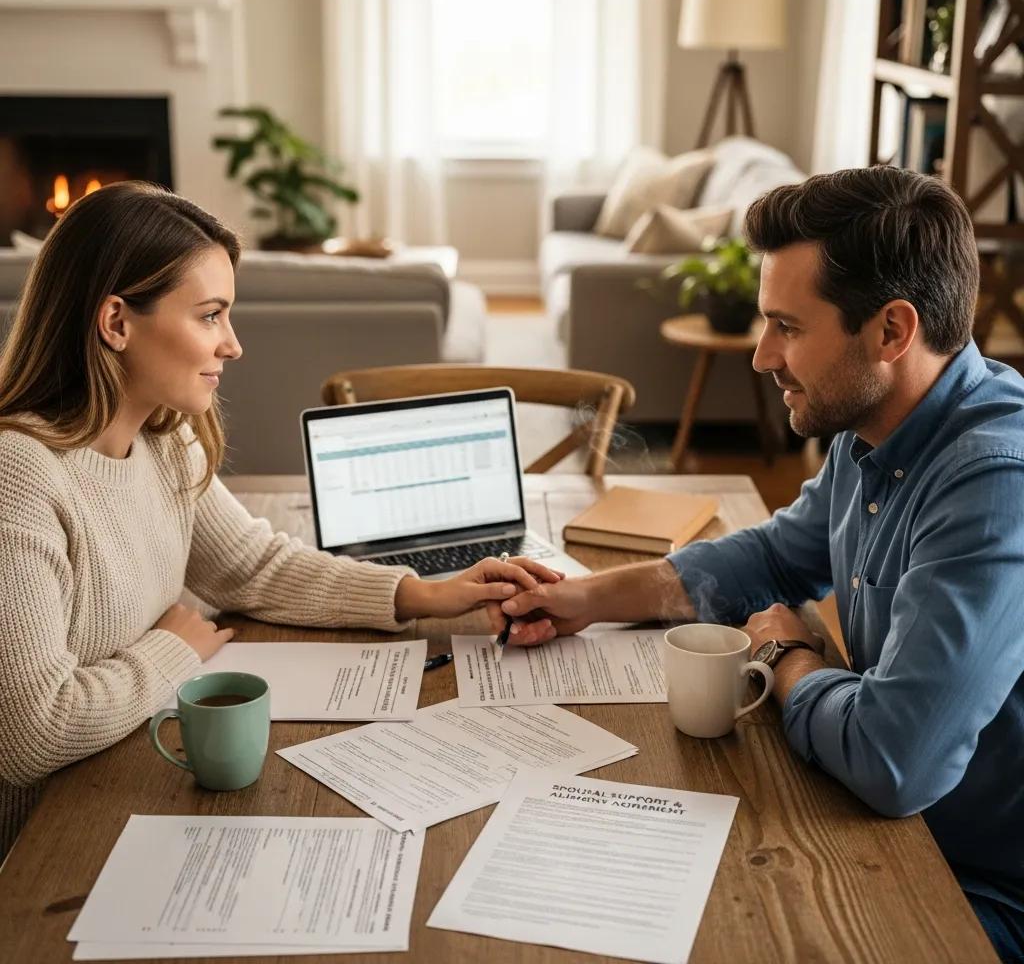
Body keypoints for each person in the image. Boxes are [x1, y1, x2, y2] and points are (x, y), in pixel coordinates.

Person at [491, 166, 1024, 962]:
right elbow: (772, 557)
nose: (761, 354)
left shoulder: (994, 483)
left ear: (891, 331)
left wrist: (788, 657)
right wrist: (587, 599)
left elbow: (894, 759)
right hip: (882, 831)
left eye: (787, 326)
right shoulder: (870, 430)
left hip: (976, 886)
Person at [0, 181, 560, 858]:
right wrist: (175, 647)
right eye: (209, 315)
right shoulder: (21, 474)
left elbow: (252, 566)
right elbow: (33, 732)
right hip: (41, 843)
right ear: (116, 322)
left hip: (124, 771)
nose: (232, 345)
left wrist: (422, 593)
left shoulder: (163, 437)